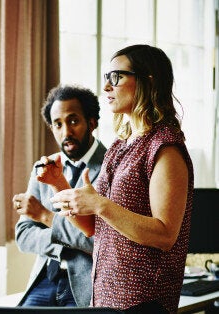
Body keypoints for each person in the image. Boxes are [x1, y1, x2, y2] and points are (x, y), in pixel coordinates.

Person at [46, 45, 194, 313]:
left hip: (144, 302)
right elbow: (93, 227)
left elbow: (164, 235)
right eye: (106, 77)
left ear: (148, 81)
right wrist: (60, 184)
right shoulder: (120, 145)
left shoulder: (165, 147)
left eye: (116, 77)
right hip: (105, 297)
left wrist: (101, 204)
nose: (106, 87)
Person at [12, 85, 106, 307]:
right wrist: (68, 244)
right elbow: (23, 236)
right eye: (58, 124)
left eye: (73, 121)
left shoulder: (112, 166)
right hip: (45, 279)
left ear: (91, 122)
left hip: (86, 286)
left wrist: (45, 217)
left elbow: (99, 241)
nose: (66, 132)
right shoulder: (43, 167)